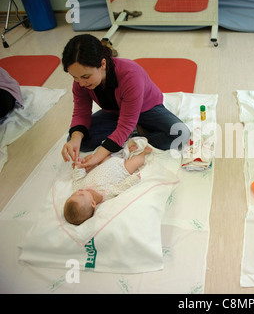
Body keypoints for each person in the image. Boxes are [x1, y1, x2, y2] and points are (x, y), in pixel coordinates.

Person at [60, 34, 190, 171]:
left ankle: (125, 137)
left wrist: (99, 155)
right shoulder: (80, 83)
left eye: (86, 77)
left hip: (146, 109)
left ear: (103, 64)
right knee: (78, 139)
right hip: (116, 112)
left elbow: (127, 122)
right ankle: (129, 134)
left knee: (181, 134)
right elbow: (81, 111)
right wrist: (76, 138)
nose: (81, 83)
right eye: (75, 77)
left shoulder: (130, 75)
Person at [64, 142, 152, 225]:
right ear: (93, 204)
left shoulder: (78, 187)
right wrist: (134, 179)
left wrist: (78, 166)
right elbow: (121, 187)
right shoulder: (105, 195)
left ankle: (123, 150)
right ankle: (143, 153)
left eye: (73, 194)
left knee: (104, 153)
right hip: (122, 169)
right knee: (136, 162)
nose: (78, 191)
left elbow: (77, 177)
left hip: (105, 163)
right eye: (81, 195)